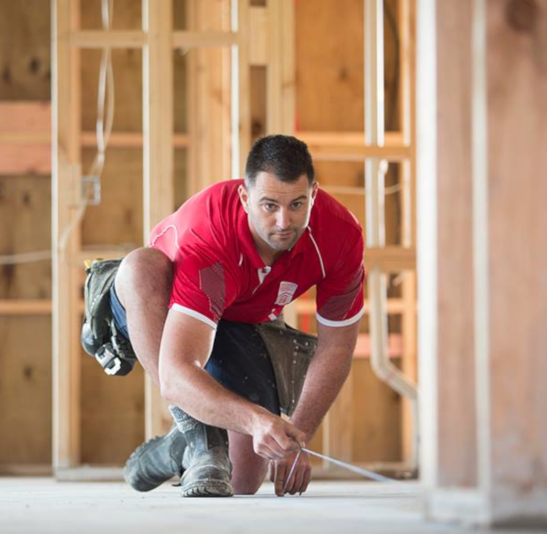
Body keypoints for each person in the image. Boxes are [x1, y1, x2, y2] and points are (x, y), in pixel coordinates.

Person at [81, 134, 365, 497]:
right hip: (164, 307)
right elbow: (177, 371)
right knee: (141, 268)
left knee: (240, 480)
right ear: (246, 198)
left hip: (242, 319)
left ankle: (177, 448)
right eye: (268, 206)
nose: (283, 221)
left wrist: (297, 438)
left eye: (297, 204)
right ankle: (199, 438)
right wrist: (254, 418)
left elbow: (338, 346)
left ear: (314, 193)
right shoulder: (212, 234)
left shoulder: (340, 236)